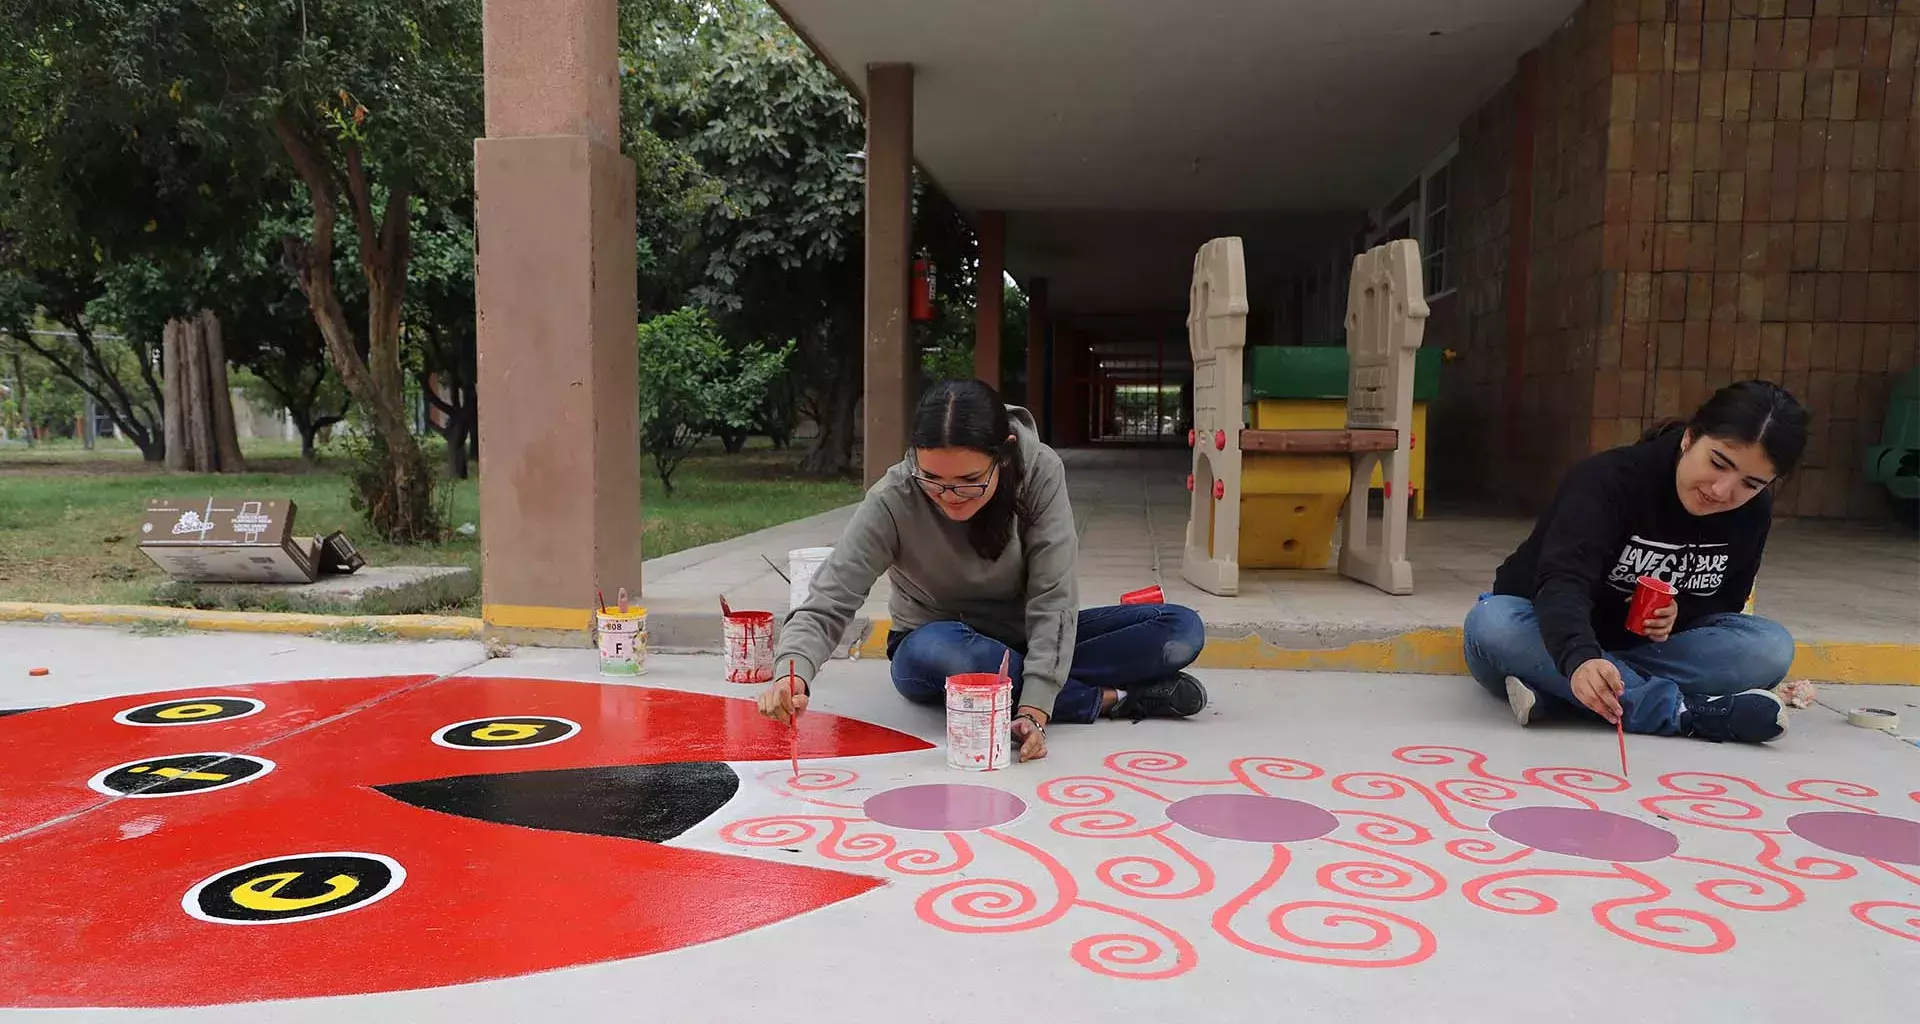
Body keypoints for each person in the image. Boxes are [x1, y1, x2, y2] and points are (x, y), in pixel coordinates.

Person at [756, 379, 1208, 762]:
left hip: (1024, 638)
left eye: (970, 481)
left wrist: (1033, 707)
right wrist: (792, 671)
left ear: (1005, 455)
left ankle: (1033, 688)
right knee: (949, 654)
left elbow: (1054, 595)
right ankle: (1114, 698)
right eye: (933, 479)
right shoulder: (893, 497)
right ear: (915, 456)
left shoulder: (1040, 472)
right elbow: (830, 599)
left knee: (1179, 628)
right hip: (937, 645)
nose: (950, 496)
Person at [1463, 380, 1809, 744]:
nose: (1722, 491)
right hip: (1547, 635)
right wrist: (1579, 658)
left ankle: (1565, 694)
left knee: (1770, 647)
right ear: (1690, 438)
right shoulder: (1609, 480)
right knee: (1493, 622)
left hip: (1642, 650)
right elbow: (1562, 580)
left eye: (1751, 484)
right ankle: (1683, 713)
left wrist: (1682, 612)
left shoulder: (1751, 513)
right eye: (1718, 463)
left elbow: (1726, 600)